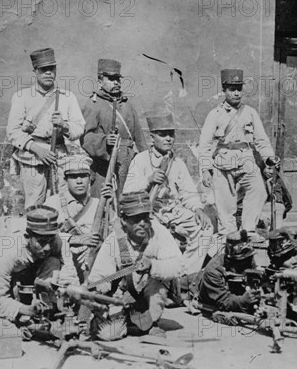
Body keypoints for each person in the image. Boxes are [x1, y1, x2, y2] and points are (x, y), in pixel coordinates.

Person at [123, 113, 218, 275]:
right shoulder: (140, 160)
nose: (168, 139)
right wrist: (148, 181)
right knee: (158, 239)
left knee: (205, 229)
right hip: (149, 213)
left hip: (174, 212)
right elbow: (128, 194)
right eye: (162, 135)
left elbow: (188, 192)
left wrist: (197, 209)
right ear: (152, 137)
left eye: (171, 134)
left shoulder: (178, 163)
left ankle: (185, 274)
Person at [87, 191, 182, 337]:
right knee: (108, 335)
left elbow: (178, 267)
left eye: (145, 218)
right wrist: (98, 290)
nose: (142, 224)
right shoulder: (114, 241)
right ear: (124, 220)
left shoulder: (160, 233)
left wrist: (153, 265)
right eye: (136, 219)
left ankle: (151, 323)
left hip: (150, 289)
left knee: (158, 284)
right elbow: (100, 276)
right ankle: (131, 322)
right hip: (121, 295)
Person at [199, 69, 276, 241]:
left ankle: (248, 230)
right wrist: (205, 169)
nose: (236, 93)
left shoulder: (250, 112)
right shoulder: (215, 114)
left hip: (246, 160)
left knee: (259, 191)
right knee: (225, 203)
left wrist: (268, 160)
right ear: (224, 90)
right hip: (222, 164)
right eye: (232, 89)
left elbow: (261, 140)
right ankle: (229, 235)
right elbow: (204, 144)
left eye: (239, 89)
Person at [6, 48, 85, 206]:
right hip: (32, 159)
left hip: (60, 158)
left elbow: (79, 128)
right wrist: (37, 149)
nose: (49, 73)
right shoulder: (22, 97)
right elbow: (13, 131)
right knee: (34, 206)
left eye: (52, 69)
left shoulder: (67, 97)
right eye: (43, 70)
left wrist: (64, 125)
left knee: (63, 205)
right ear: (35, 71)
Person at [0, 205, 77, 321]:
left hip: (31, 276)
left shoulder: (56, 241)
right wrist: (25, 309)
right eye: (42, 242)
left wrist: (70, 295)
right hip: (7, 283)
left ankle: (46, 304)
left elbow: (69, 274)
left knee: (53, 262)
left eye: (51, 241)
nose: (48, 247)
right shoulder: (6, 253)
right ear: (27, 237)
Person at [81, 59, 148, 198]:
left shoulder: (127, 104)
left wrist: (147, 160)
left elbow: (139, 136)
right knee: (103, 203)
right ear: (100, 81)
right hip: (103, 164)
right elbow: (86, 137)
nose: (116, 82)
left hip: (129, 163)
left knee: (128, 200)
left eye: (118, 78)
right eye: (111, 79)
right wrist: (105, 141)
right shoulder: (93, 104)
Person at [44, 154, 112, 282]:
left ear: (90, 178)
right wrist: (76, 239)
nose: (79, 181)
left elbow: (114, 235)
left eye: (83, 176)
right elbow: (44, 238)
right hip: (63, 262)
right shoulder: (52, 203)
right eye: (74, 177)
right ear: (65, 179)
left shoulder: (99, 204)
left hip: (93, 262)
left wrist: (111, 204)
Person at [197, 230, 261, 313]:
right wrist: (241, 301)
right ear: (229, 260)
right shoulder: (214, 270)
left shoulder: (249, 260)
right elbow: (222, 301)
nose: (247, 263)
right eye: (242, 261)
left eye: (249, 258)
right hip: (200, 288)